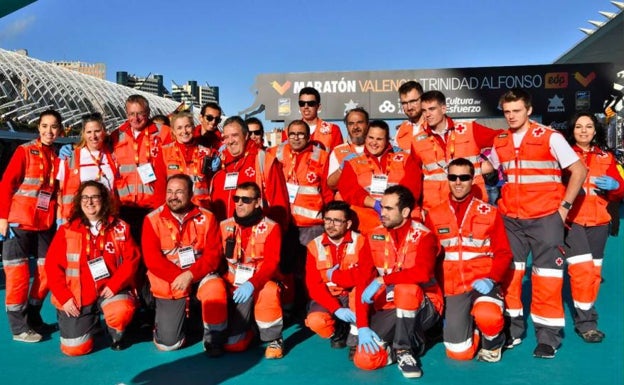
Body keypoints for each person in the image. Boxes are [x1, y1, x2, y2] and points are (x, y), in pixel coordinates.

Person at [488, 88, 587, 358]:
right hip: (511, 219)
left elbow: (579, 170)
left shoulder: (550, 137)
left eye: (516, 110)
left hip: (546, 218)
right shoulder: (500, 141)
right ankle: (513, 330)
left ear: (529, 110)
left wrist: (564, 208)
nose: (511, 116)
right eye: (507, 112)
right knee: (510, 277)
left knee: (547, 279)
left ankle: (548, 338)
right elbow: (486, 169)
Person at [425, 158, 512, 362]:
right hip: (453, 288)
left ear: (472, 180)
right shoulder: (434, 214)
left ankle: (493, 340)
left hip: (483, 284)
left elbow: (504, 253)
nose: (458, 182)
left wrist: (492, 279)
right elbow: (430, 256)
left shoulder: (489, 212)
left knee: (487, 315)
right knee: (459, 353)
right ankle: (473, 328)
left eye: (464, 177)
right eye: (453, 177)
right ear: (447, 179)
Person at [353, 185, 443, 378]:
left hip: (425, 305)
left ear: (405, 212)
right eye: (381, 207)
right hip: (388, 306)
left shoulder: (425, 236)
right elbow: (362, 281)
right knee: (364, 360)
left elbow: (423, 273)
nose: (381, 212)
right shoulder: (372, 236)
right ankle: (414, 343)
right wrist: (362, 326)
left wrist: (382, 280)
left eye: (388, 208)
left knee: (405, 288)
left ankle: (403, 350)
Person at [45, 180, 140, 355]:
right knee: (74, 349)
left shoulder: (120, 227)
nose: (89, 202)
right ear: (79, 202)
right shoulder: (67, 230)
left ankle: (116, 331)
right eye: (85, 198)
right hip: (79, 296)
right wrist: (64, 297)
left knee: (120, 311)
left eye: (95, 197)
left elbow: (132, 259)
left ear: (104, 200)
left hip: (110, 290)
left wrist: (115, 285)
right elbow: (51, 266)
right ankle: (86, 323)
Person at [141, 174, 225, 354]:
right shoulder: (152, 220)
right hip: (170, 280)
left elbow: (213, 255)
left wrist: (191, 275)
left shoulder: (208, 217)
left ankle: (214, 338)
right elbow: (152, 259)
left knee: (215, 288)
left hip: (198, 275)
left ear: (191, 193)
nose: (173, 196)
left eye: (179, 192)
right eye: (170, 191)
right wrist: (179, 277)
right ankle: (164, 325)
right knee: (169, 344)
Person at [0, 109, 62, 342]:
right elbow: (7, 184)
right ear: (38, 128)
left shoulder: (57, 157)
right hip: (19, 222)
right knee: (18, 275)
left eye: (54, 126)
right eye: (45, 126)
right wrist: (2, 219)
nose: (49, 131)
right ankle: (19, 328)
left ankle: (33, 316)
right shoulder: (24, 151)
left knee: (47, 272)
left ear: (60, 130)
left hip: (44, 225)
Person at [563, 112, 624, 343]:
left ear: (595, 130)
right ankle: (587, 323)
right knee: (582, 271)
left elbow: (621, 189)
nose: (584, 131)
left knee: (594, 274)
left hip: (599, 221)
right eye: (579, 126)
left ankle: (585, 312)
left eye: (589, 126)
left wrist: (616, 185)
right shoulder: (564, 155)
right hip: (573, 221)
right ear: (572, 130)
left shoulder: (607, 156)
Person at [220, 182, 284, 358]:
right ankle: (251, 329)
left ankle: (274, 338)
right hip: (233, 286)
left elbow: (271, 264)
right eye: (236, 198)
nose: (239, 203)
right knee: (234, 344)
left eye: (245, 200)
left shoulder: (272, 227)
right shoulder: (224, 226)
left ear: (257, 202)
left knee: (270, 290)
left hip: (258, 285)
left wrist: (251, 284)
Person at [410, 90, 500, 211]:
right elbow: (412, 179)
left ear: (443, 109)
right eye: (424, 110)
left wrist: (493, 164)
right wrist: (415, 210)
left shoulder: (469, 130)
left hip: (472, 204)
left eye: (432, 109)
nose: (427, 114)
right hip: (436, 209)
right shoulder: (418, 141)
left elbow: (502, 138)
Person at [305, 201, 368, 359]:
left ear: (348, 224)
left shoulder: (362, 242)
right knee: (315, 321)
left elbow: (364, 276)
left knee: (359, 295)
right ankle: (338, 330)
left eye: (337, 221)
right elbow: (314, 286)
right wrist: (336, 308)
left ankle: (355, 340)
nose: (331, 225)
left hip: (353, 294)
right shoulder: (314, 246)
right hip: (329, 295)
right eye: (327, 219)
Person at [338, 120, 422, 234]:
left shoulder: (405, 159)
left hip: (400, 219)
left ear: (387, 140)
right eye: (370, 137)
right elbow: (349, 190)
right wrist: (374, 204)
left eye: (379, 139)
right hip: (366, 224)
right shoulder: (352, 161)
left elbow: (412, 189)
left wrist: (390, 208)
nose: (374, 143)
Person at [210, 116, 290, 231]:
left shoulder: (263, 160)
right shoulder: (220, 163)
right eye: (226, 137)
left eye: (235, 135)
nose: (230, 141)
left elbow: (279, 204)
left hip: (255, 238)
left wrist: (275, 236)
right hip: (224, 236)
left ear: (246, 135)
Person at [110, 94, 169, 242]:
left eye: (140, 113)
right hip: (124, 208)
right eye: (131, 114)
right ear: (126, 114)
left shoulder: (164, 133)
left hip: (153, 206)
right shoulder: (116, 136)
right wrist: (72, 149)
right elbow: (95, 147)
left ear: (148, 113)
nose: (135, 118)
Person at [57, 113, 118, 223]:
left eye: (97, 131)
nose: (93, 136)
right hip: (78, 217)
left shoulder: (112, 155)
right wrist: (60, 219)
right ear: (83, 134)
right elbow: (60, 191)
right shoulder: (70, 157)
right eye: (89, 132)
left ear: (104, 131)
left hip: (107, 216)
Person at [161, 112, 213, 209]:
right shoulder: (164, 152)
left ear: (193, 128)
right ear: (173, 131)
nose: (184, 131)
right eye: (179, 128)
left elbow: (212, 184)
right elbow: (160, 186)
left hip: (200, 208)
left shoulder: (207, 152)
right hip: (174, 208)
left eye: (187, 126)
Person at [281, 87, 343, 152]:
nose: (306, 107)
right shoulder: (287, 132)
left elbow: (338, 158)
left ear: (318, 107)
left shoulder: (333, 130)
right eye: (302, 103)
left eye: (311, 103)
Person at [327, 108, 369, 190]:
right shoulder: (337, 151)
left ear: (368, 124)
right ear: (346, 127)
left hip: (372, 200)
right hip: (346, 202)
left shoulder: (377, 148)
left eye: (360, 122)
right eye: (351, 123)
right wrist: (342, 168)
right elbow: (331, 184)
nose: (355, 127)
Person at [394, 81, 425, 152]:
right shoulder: (400, 131)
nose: (409, 107)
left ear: (422, 99)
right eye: (404, 103)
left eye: (413, 101)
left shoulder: (435, 125)